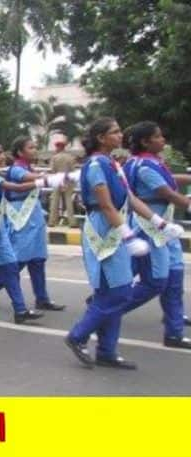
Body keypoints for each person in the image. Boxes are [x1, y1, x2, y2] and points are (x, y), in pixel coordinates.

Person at [64, 117, 175, 370]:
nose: (120, 134)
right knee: (118, 291)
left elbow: (130, 198)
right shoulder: (95, 165)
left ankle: (107, 351)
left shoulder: (112, 163)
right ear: (101, 138)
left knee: (117, 289)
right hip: (104, 230)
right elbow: (105, 205)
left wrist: (160, 223)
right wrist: (128, 235)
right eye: (114, 132)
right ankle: (78, 335)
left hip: (116, 224)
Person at [0, 140, 55, 325]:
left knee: (10, 265)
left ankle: (20, 310)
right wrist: (44, 180)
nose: (2, 155)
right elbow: (18, 187)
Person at [120, 121, 191, 349]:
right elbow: (169, 194)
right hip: (149, 228)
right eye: (159, 137)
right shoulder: (144, 167)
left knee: (174, 279)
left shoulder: (149, 162)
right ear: (145, 142)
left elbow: (169, 182)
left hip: (164, 229)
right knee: (155, 282)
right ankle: (106, 309)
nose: (163, 140)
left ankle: (174, 332)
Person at [0, 136, 65, 313]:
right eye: (30, 148)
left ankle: (42, 299)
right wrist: (48, 177)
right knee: (19, 260)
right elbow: (29, 178)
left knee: (38, 260)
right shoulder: (16, 170)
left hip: (34, 217)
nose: (35, 150)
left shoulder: (28, 167)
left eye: (35, 147)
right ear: (20, 152)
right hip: (21, 219)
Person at [48, 137, 78, 227]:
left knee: (55, 202)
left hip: (57, 180)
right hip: (68, 181)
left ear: (58, 147)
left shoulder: (54, 157)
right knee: (69, 202)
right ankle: (72, 222)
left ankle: (52, 221)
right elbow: (73, 170)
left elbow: (52, 170)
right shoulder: (70, 157)